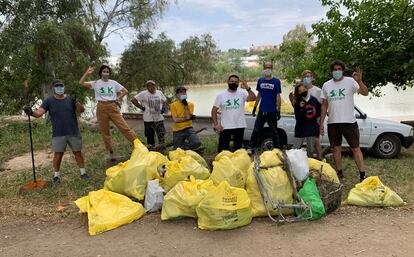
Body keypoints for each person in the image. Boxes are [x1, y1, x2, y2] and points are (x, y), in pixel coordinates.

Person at [23, 79, 89, 184]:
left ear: (64, 86)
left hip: (73, 131)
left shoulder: (71, 99)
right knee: (58, 154)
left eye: (61, 85)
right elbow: (39, 113)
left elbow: (81, 110)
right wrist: (31, 112)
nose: (59, 87)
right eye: (57, 86)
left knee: (77, 152)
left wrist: (76, 100)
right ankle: (56, 176)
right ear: (53, 88)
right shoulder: (49, 101)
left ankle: (83, 173)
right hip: (58, 133)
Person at [320, 60, 369, 181]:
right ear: (331, 71)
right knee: (336, 148)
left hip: (349, 122)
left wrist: (359, 81)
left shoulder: (350, 81)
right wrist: (321, 122)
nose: (337, 71)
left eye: (339, 69)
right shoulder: (326, 85)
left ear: (342, 70)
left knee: (355, 148)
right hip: (333, 122)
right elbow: (324, 105)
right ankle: (339, 173)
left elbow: (365, 93)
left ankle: (362, 174)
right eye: (334, 69)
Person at [79, 65, 137, 161]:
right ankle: (110, 152)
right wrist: (87, 73)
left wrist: (117, 98)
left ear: (109, 73)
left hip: (112, 106)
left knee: (124, 127)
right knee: (105, 132)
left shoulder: (113, 83)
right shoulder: (96, 83)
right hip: (101, 107)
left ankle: (138, 145)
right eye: (104, 71)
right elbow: (81, 83)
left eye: (107, 71)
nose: (106, 73)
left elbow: (125, 91)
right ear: (101, 72)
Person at [211, 75, 256, 152]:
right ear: (228, 82)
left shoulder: (242, 93)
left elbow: (253, 98)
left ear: (238, 83)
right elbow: (213, 111)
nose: (233, 83)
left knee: (238, 150)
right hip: (225, 126)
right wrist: (216, 124)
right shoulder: (221, 95)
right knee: (222, 150)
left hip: (239, 125)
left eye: (236, 82)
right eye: (232, 81)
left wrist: (247, 88)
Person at [248, 61, 282, 153]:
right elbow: (259, 95)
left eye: (270, 67)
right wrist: (255, 107)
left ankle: (277, 149)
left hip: (272, 111)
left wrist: (278, 110)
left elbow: (278, 96)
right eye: (266, 67)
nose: (268, 69)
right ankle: (251, 148)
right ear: (263, 69)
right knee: (256, 130)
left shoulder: (276, 81)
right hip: (262, 110)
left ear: (272, 69)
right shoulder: (260, 80)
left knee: (274, 132)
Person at [289, 70, 323, 158]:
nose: (303, 91)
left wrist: (319, 125)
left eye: (304, 89)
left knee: (310, 151)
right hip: (300, 129)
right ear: (298, 93)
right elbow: (298, 116)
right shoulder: (298, 102)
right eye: (300, 91)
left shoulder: (314, 99)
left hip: (312, 129)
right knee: (295, 149)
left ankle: (313, 163)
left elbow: (320, 111)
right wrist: (299, 107)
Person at [131, 80, 167, 148]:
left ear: (155, 86)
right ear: (147, 87)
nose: (151, 87)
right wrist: (141, 107)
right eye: (148, 85)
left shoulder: (159, 93)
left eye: (152, 85)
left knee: (161, 135)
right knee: (150, 136)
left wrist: (163, 108)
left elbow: (165, 100)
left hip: (159, 118)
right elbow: (133, 100)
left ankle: (162, 148)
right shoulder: (143, 94)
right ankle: (151, 149)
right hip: (148, 118)